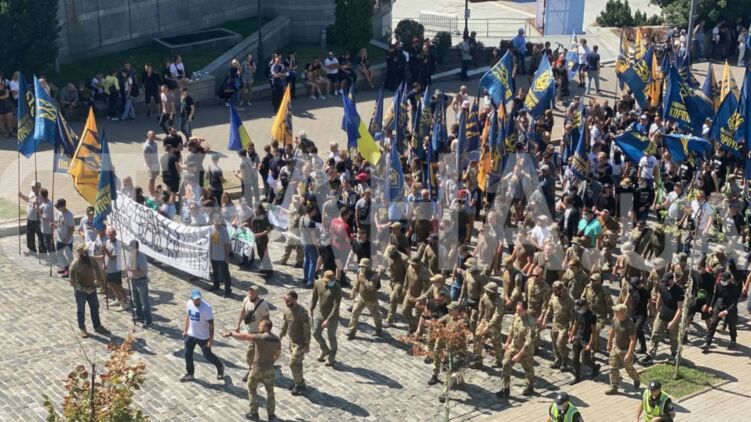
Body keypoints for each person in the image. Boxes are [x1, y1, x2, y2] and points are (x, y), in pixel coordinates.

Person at [221, 319, 281, 421]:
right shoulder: (276, 339)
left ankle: (254, 413)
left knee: (252, 389)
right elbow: (278, 353)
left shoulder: (259, 337)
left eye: (261, 326)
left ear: (266, 327)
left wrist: (230, 334)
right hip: (269, 370)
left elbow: (244, 337)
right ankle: (271, 415)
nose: (259, 327)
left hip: (257, 370)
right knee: (270, 393)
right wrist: (272, 361)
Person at [181, 288, 224, 382]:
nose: (197, 301)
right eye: (195, 299)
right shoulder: (189, 304)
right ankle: (190, 374)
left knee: (207, 355)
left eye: (199, 299)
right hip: (191, 334)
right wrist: (185, 330)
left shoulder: (207, 308)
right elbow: (188, 316)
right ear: (191, 298)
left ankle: (219, 366)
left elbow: (211, 324)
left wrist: (211, 339)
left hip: (203, 337)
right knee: (187, 354)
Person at [69, 243, 110, 338]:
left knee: (95, 307)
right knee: (81, 310)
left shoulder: (91, 260)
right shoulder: (74, 265)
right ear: (80, 252)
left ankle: (97, 326)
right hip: (81, 291)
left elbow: (97, 271)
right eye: (85, 252)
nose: (87, 253)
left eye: (87, 251)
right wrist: (83, 288)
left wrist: (100, 282)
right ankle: (82, 328)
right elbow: (72, 281)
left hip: (92, 288)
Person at [497, 301, 536, 398]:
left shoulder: (530, 323)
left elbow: (528, 343)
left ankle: (529, 386)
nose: (517, 312)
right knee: (505, 363)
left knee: (528, 369)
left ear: (526, 310)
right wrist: (507, 342)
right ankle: (505, 388)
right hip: (514, 346)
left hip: (526, 350)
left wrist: (519, 355)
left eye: (520, 310)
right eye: (516, 310)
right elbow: (511, 331)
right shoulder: (516, 316)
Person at [644, 272, 684, 362]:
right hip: (662, 315)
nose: (665, 283)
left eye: (667, 281)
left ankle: (674, 353)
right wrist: (657, 312)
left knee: (673, 338)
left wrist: (673, 322)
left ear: (671, 280)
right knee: (655, 334)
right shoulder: (662, 287)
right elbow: (660, 298)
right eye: (664, 281)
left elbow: (680, 309)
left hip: (674, 317)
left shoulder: (679, 291)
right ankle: (650, 353)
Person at [235, 286, 271, 382]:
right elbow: (243, 312)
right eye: (249, 293)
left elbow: (267, 320)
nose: (250, 296)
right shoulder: (246, 300)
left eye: (253, 294)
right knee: (256, 353)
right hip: (250, 331)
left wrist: (264, 333)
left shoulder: (263, 305)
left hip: (258, 333)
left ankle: (251, 371)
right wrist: (238, 324)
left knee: (250, 354)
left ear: (257, 294)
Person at [280, 290, 311, 395]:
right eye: (285, 299)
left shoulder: (302, 312)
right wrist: (280, 335)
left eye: (288, 300)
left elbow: (307, 329)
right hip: (292, 342)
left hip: (300, 343)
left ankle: (299, 384)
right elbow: (285, 324)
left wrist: (307, 344)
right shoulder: (287, 310)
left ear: (295, 300)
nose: (286, 301)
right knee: (298, 364)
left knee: (293, 364)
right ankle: (299, 383)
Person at [605, 304, 639, 395]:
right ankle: (614, 386)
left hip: (626, 350)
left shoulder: (630, 324)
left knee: (629, 369)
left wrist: (629, 354)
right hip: (616, 348)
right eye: (615, 311)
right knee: (613, 367)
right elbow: (612, 332)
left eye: (617, 311)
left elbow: (633, 340)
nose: (615, 312)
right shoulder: (615, 320)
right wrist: (609, 343)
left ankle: (636, 378)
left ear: (623, 312)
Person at [310, 270, 342, 367]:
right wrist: (312, 307)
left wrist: (328, 320)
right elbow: (315, 296)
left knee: (331, 337)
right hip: (320, 314)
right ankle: (325, 349)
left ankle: (332, 357)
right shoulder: (318, 283)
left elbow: (336, 306)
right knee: (315, 333)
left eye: (331, 281)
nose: (329, 282)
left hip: (332, 318)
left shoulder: (337, 288)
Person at [703, 271, 740, 352]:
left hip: (730, 309)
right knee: (713, 323)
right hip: (719, 306)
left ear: (729, 280)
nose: (722, 281)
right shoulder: (718, 285)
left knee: (732, 326)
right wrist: (711, 306)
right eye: (721, 280)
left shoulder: (734, 288)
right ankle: (707, 342)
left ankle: (733, 340)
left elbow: (734, 303)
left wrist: (726, 311)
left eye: (724, 280)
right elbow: (715, 295)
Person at [346, 258, 382, 339]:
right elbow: (357, 282)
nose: (361, 268)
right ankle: (351, 331)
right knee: (354, 312)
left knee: (376, 315)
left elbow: (371, 287)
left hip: (371, 299)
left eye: (363, 266)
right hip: (361, 297)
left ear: (368, 266)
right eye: (360, 266)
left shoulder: (374, 275)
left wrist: (364, 279)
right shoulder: (359, 271)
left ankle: (379, 329)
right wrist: (353, 291)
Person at [568, 298, 600, 384]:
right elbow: (575, 324)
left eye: (580, 308)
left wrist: (590, 344)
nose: (578, 310)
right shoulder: (578, 312)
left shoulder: (592, 315)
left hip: (586, 340)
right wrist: (571, 336)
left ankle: (595, 367)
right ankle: (577, 377)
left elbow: (593, 332)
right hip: (578, 337)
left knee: (585, 361)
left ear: (585, 306)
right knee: (575, 358)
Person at [103, 227, 129, 310]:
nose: (110, 236)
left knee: (118, 286)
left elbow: (113, 257)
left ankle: (125, 302)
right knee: (111, 284)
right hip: (109, 268)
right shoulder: (107, 241)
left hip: (115, 269)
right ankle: (118, 299)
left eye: (112, 235)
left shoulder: (117, 244)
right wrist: (105, 264)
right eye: (109, 235)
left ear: (115, 234)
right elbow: (106, 255)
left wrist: (105, 250)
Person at [209, 214, 232, 297]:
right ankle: (216, 285)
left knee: (225, 274)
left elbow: (226, 244)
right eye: (216, 220)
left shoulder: (224, 230)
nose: (217, 223)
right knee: (215, 272)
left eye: (219, 220)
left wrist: (227, 256)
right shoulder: (210, 229)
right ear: (213, 220)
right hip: (213, 255)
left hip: (222, 256)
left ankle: (228, 290)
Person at [18, 182, 43, 254]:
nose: (32, 188)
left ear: (39, 188)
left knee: (40, 236)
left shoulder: (41, 196)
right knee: (29, 235)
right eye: (32, 186)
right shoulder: (32, 193)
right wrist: (21, 196)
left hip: (37, 220)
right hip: (30, 219)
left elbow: (40, 208)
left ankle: (42, 252)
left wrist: (36, 203)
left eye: (34, 187)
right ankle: (32, 250)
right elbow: (29, 200)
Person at [54, 199, 75, 278]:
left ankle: (70, 270)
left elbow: (72, 228)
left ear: (63, 206)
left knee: (69, 256)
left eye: (58, 207)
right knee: (59, 253)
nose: (57, 208)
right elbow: (58, 223)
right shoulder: (58, 212)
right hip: (60, 238)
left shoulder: (69, 215)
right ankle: (66, 267)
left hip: (67, 240)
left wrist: (67, 237)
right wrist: (54, 225)